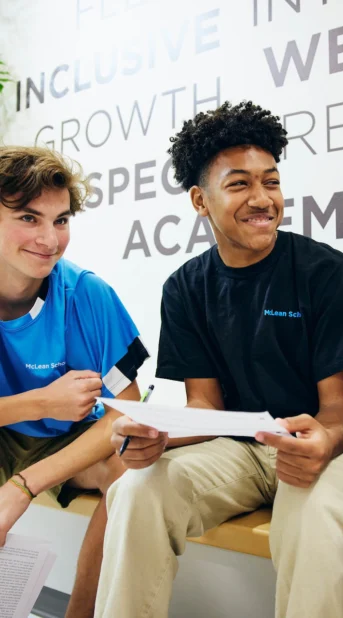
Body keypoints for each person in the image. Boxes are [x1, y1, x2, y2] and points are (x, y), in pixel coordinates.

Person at [95, 101, 343, 618]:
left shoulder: (325, 271)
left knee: (316, 521)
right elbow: (205, 405)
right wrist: (156, 436)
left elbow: (338, 409)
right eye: (240, 184)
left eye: (271, 182)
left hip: (320, 445)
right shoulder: (184, 287)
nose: (262, 199)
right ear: (201, 200)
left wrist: (322, 442)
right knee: (138, 489)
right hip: (235, 450)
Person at [0, 146, 149, 618]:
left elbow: (127, 416)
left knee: (132, 473)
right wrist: (39, 401)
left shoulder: (88, 293)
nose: (49, 238)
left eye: (61, 220)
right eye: (29, 217)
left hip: (69, 445)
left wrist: (24, 486)